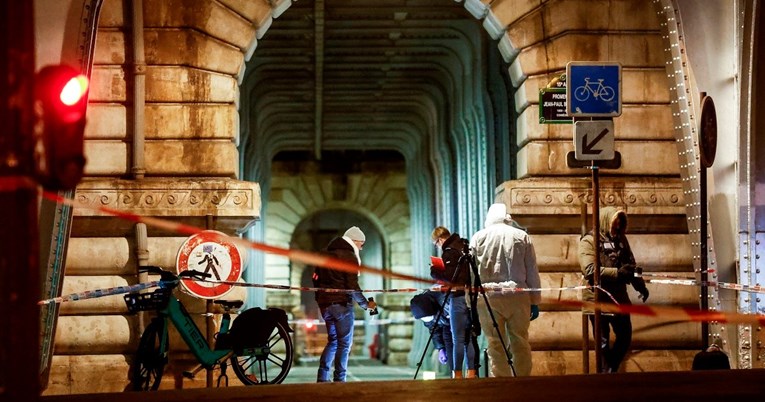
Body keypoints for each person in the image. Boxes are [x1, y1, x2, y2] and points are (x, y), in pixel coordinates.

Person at [469, 203, 541, 377]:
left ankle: (500, 382)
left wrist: (469, 301)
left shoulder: (478, 237)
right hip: (518, 295)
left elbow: (471, 272)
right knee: (520, 340)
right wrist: (535, 300)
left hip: (488, 297)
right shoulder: (521, 236)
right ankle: (522, 380)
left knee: (495, 343)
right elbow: (531, 270)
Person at [578, 206, 650, 373]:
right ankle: (607, 376)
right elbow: (589, 269)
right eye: (615, 223)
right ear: (605, 222)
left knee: (625, 337)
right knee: (602, 343)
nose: (617, 227)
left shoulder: (621, 240)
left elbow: (631, 266)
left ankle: (609, 370)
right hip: (597, 299)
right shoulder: (589, 241)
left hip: (619, 298)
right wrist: (617, 273)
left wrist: (641, 286)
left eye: (620, 224)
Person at [315, 226, 377, 382]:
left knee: (333, 341)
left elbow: (315, 278)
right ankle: (340, 380)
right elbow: (352, 286)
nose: (361, 248)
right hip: (342, 305)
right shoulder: (349, 256)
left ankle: (322, 378)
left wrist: (320, 300)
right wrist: (366, 304)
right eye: (361, 244)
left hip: (325, 305)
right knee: (344, 344)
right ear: (355, 241)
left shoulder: (324, 253)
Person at [431, 226, 477, 378]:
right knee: (469, 337)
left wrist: (434, 271)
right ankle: (471, 373)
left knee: (457, 338)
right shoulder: (464, 246)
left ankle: (457, 374)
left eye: (436, 243)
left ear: (441, 239)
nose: (438, 246)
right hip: (470, 297)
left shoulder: (449, 251)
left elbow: (451, 278)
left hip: (457, 298)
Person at [410, 290, 453, 369]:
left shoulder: (444, 300)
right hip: (446, 324)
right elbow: (434, 329)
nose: (428, 319)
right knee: (447, 339)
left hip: (455, 322)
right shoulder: (423, 309)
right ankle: (454, 373)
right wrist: (440, 348)